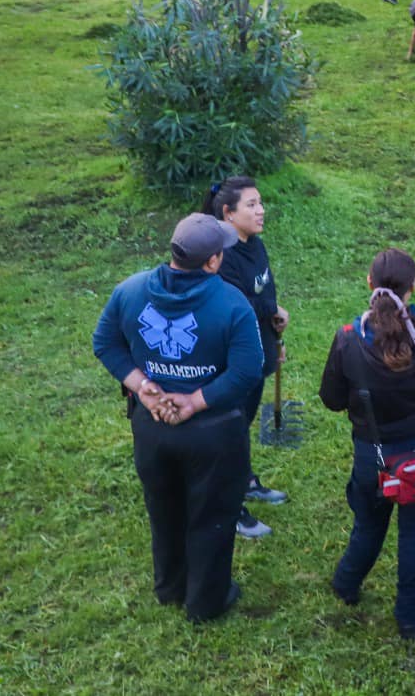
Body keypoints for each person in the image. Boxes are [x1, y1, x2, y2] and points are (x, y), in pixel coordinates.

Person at [90, 213, 263, 623]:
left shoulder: (130, 291)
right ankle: (206, 602)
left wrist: (142, 386)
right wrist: (195, 401)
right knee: (213, 514)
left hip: (151, 428)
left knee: (163, 507)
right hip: (213, 435)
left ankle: (169, 587)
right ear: (212, 262)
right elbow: (247, 370)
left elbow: (104, 342)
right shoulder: (232, 304)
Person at [319, 247, 415, 641]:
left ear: (369, 284)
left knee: (368, 524)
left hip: (375, 456)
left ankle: (346, 584)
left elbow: (332, 400)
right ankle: (409, 617)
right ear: (413, 287)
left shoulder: (348, 340)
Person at [202, 177, 291, 540]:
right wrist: (271, 308)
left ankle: (246, 480)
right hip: (233, 361)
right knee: (230, 432)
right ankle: (229, 504)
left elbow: (266, 291)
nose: (261, 210)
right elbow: (237, 306)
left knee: (243, 425)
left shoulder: (255, 244)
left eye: (260, 203)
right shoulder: (221, 258)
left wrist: (275, 340)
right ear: (228, 213)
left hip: (257, 351)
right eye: (251, 205)